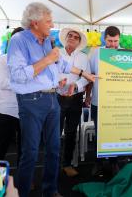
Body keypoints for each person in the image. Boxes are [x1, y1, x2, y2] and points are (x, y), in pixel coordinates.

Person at [7, 2, 96, 197]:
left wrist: (84, 74)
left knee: (54, 149)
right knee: (30, 152)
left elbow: (61, 63)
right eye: (48, 21)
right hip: (31, 101)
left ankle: (50, 191)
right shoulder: (19, 40)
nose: (52, 24)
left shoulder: (47, 41)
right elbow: (19, 75)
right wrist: (47, 60)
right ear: (35, 22)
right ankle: (23, 192)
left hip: (52, 99)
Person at [85, 26, 121, 176]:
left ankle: (114, 163)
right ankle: (98, 163)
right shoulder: (97, 53)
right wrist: (87, 96)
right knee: (99, 134)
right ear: (104, 38)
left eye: (115, 41)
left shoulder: (124, 53)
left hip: (118, 103)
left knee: (115, 134)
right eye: (110, 40)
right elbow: (90, 76)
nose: (113, 44)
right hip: (98, 102)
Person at [57, 27, 90, 177]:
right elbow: (50, 72)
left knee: (71, 133)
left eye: (75, 37)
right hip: (56, 97)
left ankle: (67, 164)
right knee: (53, 133)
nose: (71, 38)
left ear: (79, 41)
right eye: (70, 35)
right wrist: (58, 82)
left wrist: (75, 85)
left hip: (75, 99)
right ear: (66, 38)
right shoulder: (56, 53)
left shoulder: (84, 57)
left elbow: (87, 77)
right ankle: (53, 163)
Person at [0, 27, 23, 161]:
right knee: (1, 148)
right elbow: (2, 82)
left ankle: (23, 180)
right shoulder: (3, 59)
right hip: (5, 111)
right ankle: (0, 181)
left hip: (24, 110)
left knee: (24, 149)